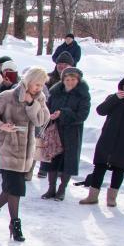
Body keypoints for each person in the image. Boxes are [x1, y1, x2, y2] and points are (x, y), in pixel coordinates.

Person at [0, 67, 51, 242]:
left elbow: (42, 121)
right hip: (8, 149)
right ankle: (15, 224)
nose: (39, 88)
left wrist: (32, 104)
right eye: (36, 84)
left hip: (26, 152)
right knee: (17, 188)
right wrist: (1, 126)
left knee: (11, 188)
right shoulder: (8, 96)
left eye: (41, 85)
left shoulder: (39, 98)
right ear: (28, 81)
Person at [78, 74, 124, 207]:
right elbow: (101, 110)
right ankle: (92, 196)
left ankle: (111, 199)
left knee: (119, 170)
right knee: (99, 167)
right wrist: (115, 98)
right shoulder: (113, 97)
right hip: (107, 139)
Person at [39, 67, 90, 201]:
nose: (70, 82)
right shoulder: (56, 92)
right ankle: (51, 188)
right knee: (52, 158)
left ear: (78, 80)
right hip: (54, 130)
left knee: (68, 161)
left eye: (73, 79)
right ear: (63, 80)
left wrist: (63, 113)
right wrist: (50, 115)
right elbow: (47, 108)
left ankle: (62, 189)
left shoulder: (83, 95)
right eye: (67, 79)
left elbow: (82, 115)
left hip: (72, 132)